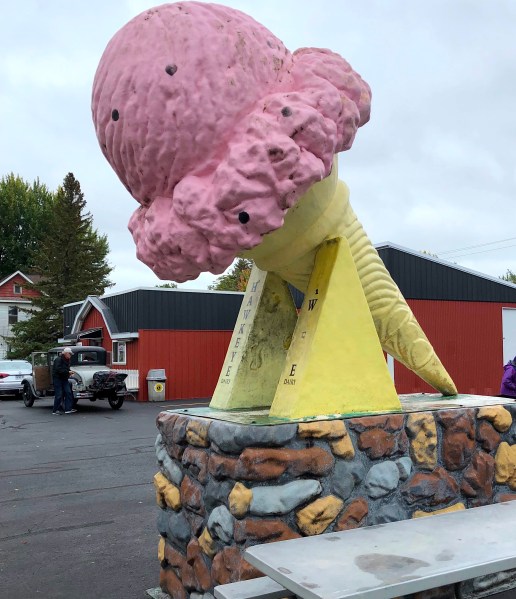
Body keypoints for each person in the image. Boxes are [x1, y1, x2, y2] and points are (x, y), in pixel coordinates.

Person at [52, 347, 77, 415]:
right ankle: (55, 410)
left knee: (68, 392)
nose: (70, 355)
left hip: (64, 379)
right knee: (59, 394)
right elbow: (58, 369)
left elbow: (65, 369)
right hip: (57, 379)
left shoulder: (67, 360)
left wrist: (69, 372)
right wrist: (68, 372)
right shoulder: (58, 360)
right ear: (66, 353)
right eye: (70, 354)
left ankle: (68, 409)